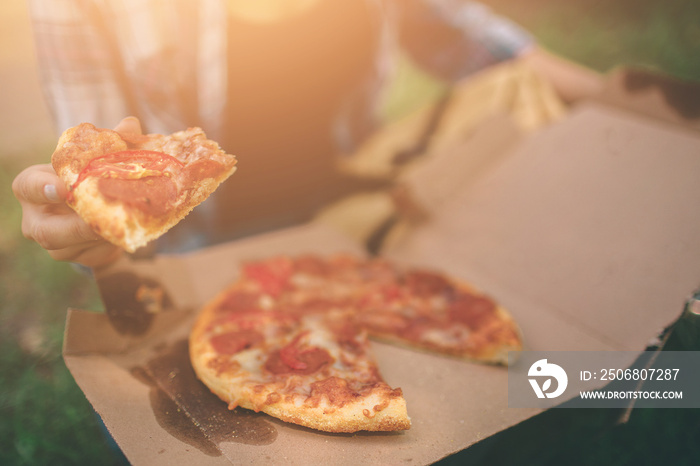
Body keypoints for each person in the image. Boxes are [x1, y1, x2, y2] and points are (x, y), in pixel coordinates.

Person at [13, 0, 604, 270]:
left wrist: (649, 113)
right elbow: (98, 171)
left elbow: (485, 47)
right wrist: (91, 229)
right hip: (201, 259)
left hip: (358, 212)